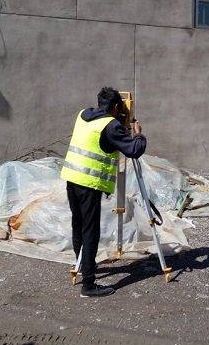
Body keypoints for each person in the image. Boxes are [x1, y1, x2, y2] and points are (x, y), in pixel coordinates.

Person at [61, 87, 147, 298]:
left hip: (72, 177)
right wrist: (138, 134)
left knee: (78, 225)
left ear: (98, 102)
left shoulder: (83, 115)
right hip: (89, 182)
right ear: (117, 107)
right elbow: (134, 150)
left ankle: (83, 265)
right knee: (90, 231)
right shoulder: (111, 126)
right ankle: (88, 285)